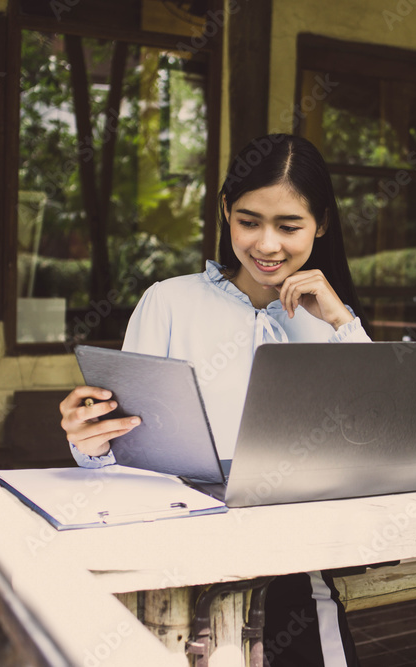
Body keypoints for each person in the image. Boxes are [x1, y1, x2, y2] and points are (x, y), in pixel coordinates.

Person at [59, 133, 368, 667]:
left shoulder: (331, 322)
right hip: (176, 563)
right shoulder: (169, 303)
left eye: (289, 226)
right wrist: (88, 441)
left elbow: (377, 440)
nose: (267, 245)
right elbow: (121, 452)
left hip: (295, 564)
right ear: (226, 211)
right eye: (249, 221)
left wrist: (342, 321)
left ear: (322, 224)